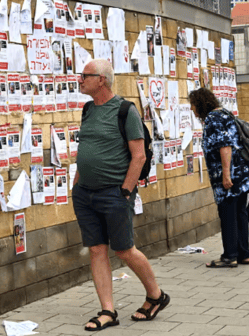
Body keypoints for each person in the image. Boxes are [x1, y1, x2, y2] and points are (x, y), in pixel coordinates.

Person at [72, 59, 169, 331]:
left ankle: (156, 295)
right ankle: (107, 311)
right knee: (96, 249)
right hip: (85, 194)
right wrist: (77, 184)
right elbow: (87, 148)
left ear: (101, 80)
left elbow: (138, 156)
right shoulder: (88, 109)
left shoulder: (126, 110)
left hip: (114, 193)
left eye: (85, 76)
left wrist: (125, 190)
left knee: (124, 250)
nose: (80, 80)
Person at [189, 88, 249, 267]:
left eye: (193, 105)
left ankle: (230, 256)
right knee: (240, 212)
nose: (192, 109)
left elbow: (225, 147)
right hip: (242, 174)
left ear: (201, 104)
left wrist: (226, 175)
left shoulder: (213, 119)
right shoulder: (226, 114)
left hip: (229, 175)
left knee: (228, 214)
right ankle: (244, 254)